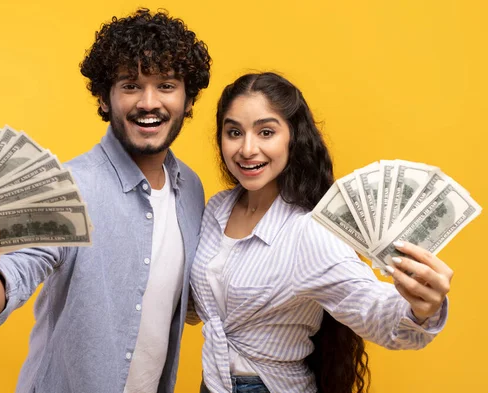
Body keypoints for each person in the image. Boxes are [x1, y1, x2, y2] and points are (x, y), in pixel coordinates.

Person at [0, 9, 211, 393]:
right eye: (130, 85)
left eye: (166, 85)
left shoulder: (192, 190)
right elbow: (7, 282)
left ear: (188, 101)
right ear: (105, 99)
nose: (148, 102)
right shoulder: (67, 188)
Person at [190, 72, 452, 393]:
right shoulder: (217, 208)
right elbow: (199, 301)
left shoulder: (308, 231)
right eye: (234, 132)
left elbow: (367, 303)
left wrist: (421, 309)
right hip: (211, 383)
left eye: (266, 132)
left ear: (292, 138)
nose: (247, 149)